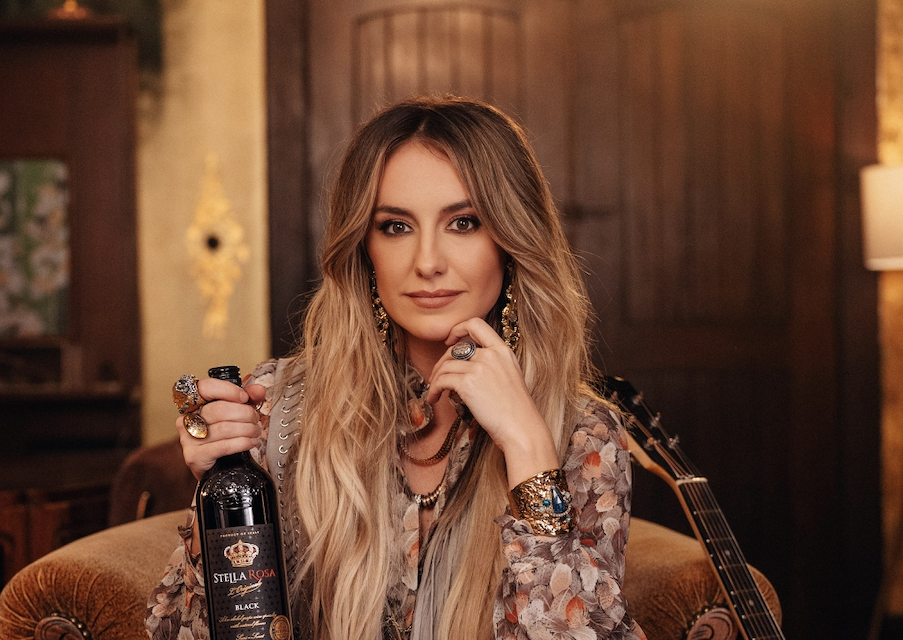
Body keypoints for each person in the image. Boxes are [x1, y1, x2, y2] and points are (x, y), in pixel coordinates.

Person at [146, 96, 646, 640]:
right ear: (363, 247)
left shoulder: (582, 435)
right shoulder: (279, 409)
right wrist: (220, 495)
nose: (428, 261)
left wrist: (527, 447)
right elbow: (184, 632)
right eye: (396, 227)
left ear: (510, 241)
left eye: (463, 222)